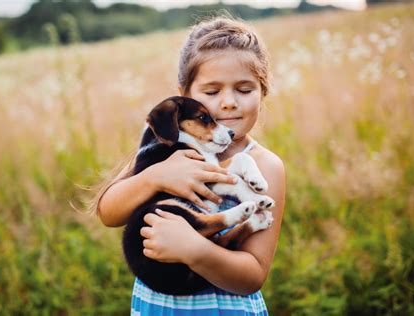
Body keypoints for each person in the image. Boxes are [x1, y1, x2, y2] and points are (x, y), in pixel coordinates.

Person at [91, 15, 286, 315]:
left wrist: (195, 251)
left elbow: (253, 276)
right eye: (211, 91)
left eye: (245, 90)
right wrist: (154, 178)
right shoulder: (162, 150)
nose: (229, 102)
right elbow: (108, 212)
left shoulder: (265, 165)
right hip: (158, 306)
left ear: (263, 91)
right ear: (184, 96)